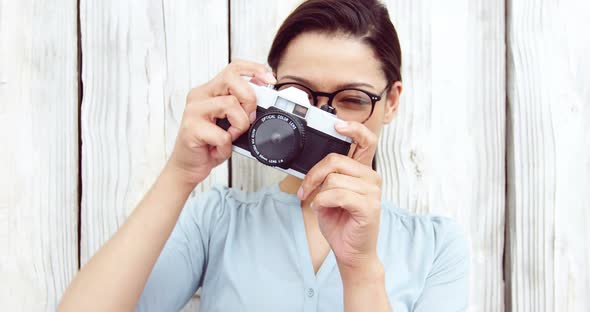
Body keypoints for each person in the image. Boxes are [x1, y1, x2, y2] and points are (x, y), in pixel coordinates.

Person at [59, 0, 469, 311]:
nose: (322, 119)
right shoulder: (217, 219)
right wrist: (179, 174)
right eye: (299, 96)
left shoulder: (434, 247)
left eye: (351, 99)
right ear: (272, 93)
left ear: (392, 101)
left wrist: (360, 269)